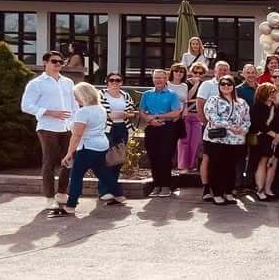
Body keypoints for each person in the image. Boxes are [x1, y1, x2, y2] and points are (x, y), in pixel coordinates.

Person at [52, 83, 119, 216]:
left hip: (87, 146)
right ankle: (119, 194)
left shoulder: (83, 112)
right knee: (103, 172)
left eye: (76, 96)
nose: (75, 99)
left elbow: (77, 135)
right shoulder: (101, 109)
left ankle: (71, 205)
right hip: (101, 145)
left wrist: (69, 153)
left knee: (76, 176)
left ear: (83, 96)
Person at [21, 51, 77, 210]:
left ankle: (61, 193)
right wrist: (49, 112)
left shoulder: (68, 82)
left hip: (68, 127)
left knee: (69, 160)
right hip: (48, 128)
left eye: (61, 62)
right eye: (54, 61)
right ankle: (49, 197)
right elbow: (26, 106)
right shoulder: (36, 83)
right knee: (49, 162)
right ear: (45, 62)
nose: (58, 64)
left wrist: (76, 123)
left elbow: (74, 105)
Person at [202, 75, 250, 205]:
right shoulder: (214, 100)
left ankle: (228, 192)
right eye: (223, 84)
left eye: (229, 84)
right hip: (218, 140)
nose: (226, 86)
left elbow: (247, 119)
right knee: (216, 166)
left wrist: (243, 129)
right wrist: (230, 126)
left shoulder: (242, 102)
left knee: (230, 167)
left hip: (236, 140)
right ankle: (217, 193)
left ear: (233, 86)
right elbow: (211, 116)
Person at [139, 69, 182, 197]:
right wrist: (149, 120)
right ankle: (156, 185)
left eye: (161, 78)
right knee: (153, 157)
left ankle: (166, 186)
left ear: (166, 79)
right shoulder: (147, 94)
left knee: (165, 156)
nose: (158, 80)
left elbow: (175, 112)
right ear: (152, 79)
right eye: (155, 78)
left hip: (167, 128)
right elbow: (141, 111)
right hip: (151, 127)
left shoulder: (172, 95)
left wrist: (159, 116)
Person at [196, 61, 230, 201]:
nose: (222, 72)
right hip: (210, 127)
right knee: (207, 157)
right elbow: (200, 103)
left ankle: (221, 187)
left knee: (222, 159)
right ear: (214, 71)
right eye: (220, 69)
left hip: (227, 129)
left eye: (225, 70)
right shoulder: (207, 85)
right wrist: (205, 122)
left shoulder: (230, 85)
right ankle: (206, 188)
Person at [99, 72, 134, 202]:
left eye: (117, 80)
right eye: (111, 80)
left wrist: (125, 114)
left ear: (121, 82)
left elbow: (132, 113)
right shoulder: (101, 94)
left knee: (118, 160)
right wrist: (109, 115)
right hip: (107, 129)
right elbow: (99, 111)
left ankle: (113, 190)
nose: (114, 83)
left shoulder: (125, 95)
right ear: (107, 82)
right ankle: (104, 190)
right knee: (107, 160)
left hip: (123, 128)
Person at [250, 83, 279, 201]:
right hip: (262, 139)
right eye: (270, 92)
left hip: (276, 140)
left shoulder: (278, 108)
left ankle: (268, 189)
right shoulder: (257, 107)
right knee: (262, 162)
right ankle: (260, 190)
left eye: (274, 92)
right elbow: (257, 123)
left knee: (273, 163)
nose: (273, 95)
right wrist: (273, 134)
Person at [174, 63, 201, 174]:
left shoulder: (204, 84)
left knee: (196, 141)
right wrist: (196, 85)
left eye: (200, 72)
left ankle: (191, 165)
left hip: (197, 115)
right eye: (195, 72)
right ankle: (182, 166)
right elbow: (187, 98)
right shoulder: (185, 84)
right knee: (184, 141)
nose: (197, 74)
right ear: (191, 72)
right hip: (185, 114)